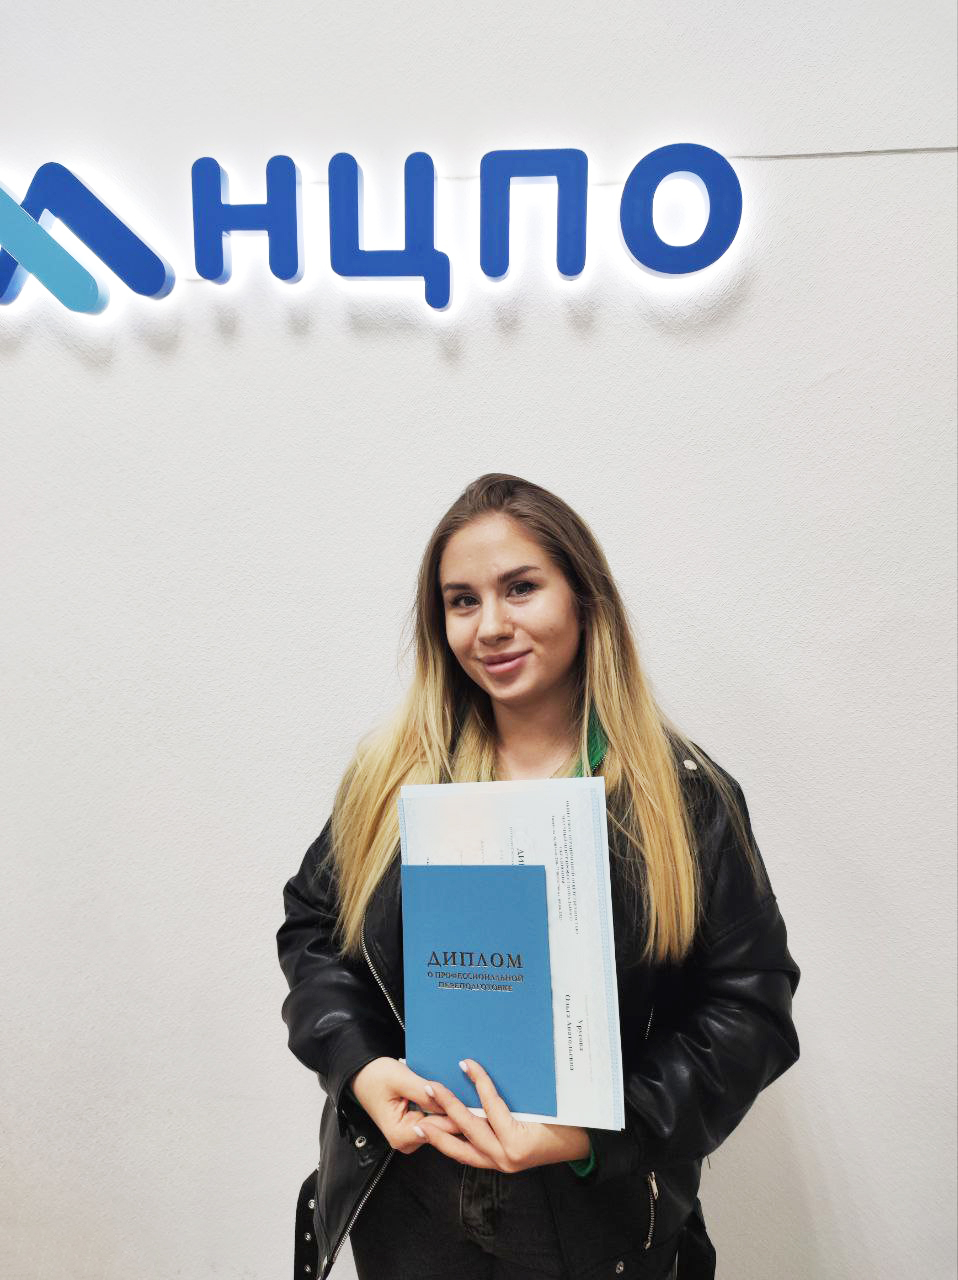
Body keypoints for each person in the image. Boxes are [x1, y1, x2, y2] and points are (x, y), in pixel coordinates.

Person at [276, 472, 801, 1280]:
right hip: (411, 1207)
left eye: (520, 588)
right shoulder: (393, 778)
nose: (491, 626)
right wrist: (361, 1066)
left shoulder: (683, 798)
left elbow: (749, 1011)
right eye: (462, 601)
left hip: (591, 1221)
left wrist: (595, 1132)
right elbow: (313, 929)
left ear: (585, 600)